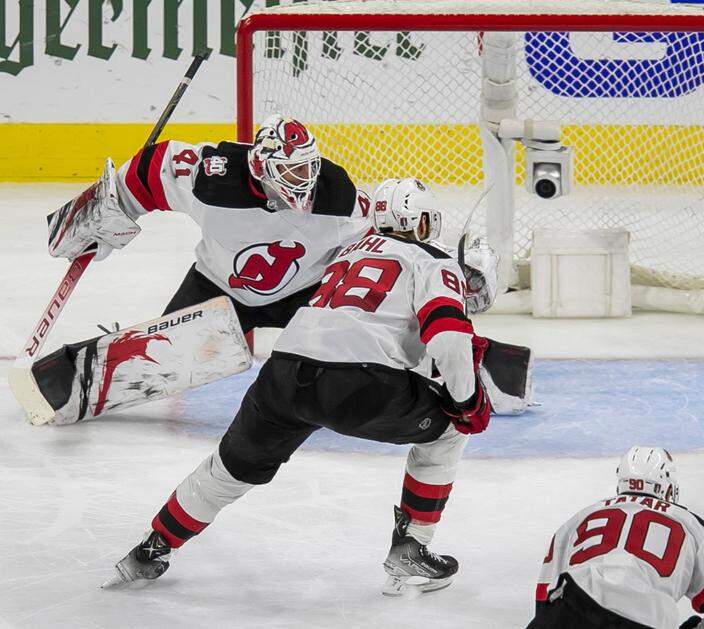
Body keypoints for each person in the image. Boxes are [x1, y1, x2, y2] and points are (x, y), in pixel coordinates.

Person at [103, 178, 492, 596]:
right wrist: (465, 400)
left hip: (283, 373)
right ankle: (413, 547)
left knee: (229, 469)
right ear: (424, 222)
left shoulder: (347, 252)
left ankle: (152, 547)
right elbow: (449, 337)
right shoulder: (433, 260)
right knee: (449, 432)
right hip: (360, 384)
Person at [34, 115, 372, 424]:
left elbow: (377, 248)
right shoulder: (213, 178)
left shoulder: (338, 197)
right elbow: (152, 169)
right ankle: (67, 381)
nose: (304, 180)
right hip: (217, 286)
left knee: (341, 366)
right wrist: (103, 211)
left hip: (304, 292)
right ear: (261, 167)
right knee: (164, 358)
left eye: (307, 168)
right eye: (291, 171)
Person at [530, 447, 704, 628]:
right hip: (645, 620)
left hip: (571, 608)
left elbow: (545, 594)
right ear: (668, 487)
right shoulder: (688, 522)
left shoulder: (580, 517)